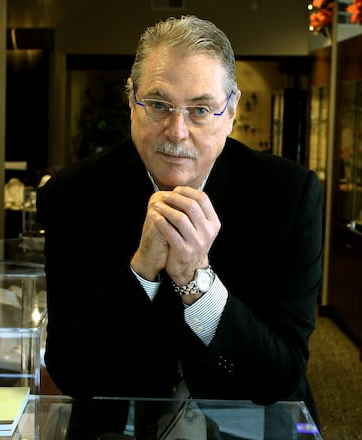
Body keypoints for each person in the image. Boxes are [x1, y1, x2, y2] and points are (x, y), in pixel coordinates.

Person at [37, 14, 323, 434]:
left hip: (247, 419)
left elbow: (280, 374)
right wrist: (141, 272)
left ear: (230, 112)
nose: (177, 130)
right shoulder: (72, 195)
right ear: (130, 101)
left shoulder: (288, 195)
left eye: (201, 109)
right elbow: (74, 372)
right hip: (120, 425)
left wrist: (197, 281)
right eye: (158, 104)